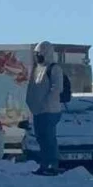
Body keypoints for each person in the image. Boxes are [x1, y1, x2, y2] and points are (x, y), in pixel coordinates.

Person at [25, 41, 65, 176]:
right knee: (41, 138)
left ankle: (52, 164)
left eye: (39, 54)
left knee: (49, 138)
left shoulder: (54, 68)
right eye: (36, 54)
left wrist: (47, 102)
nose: (37, 56)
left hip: (50, 110)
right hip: (38, 111)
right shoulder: (37, 69)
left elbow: (57, 88)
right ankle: (44, 164)